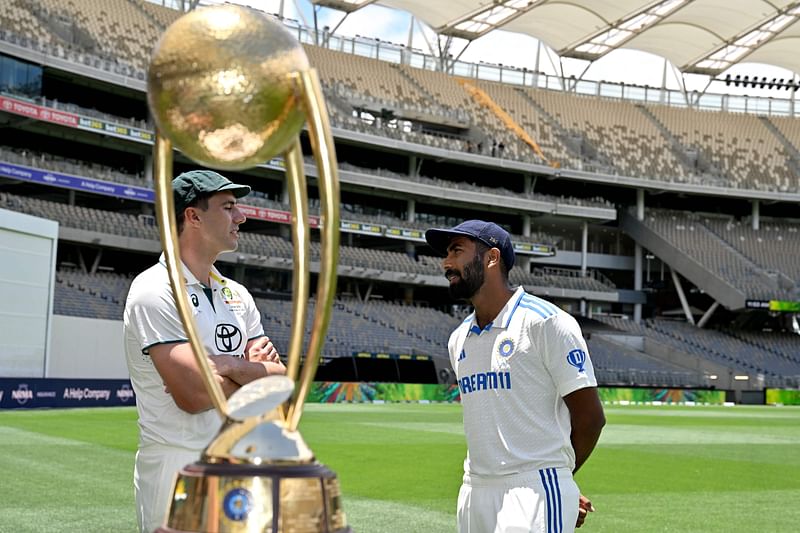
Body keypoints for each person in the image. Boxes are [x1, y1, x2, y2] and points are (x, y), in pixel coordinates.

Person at [123, 170, 286, 533]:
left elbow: (279, 382)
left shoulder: (238, 294)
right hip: (179, 468)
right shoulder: (154, 290)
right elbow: (194, 395)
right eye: (229, 207)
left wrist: (227, 366)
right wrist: (250, 372)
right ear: (193, 216)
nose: (241, 217)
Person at [425, 220, 605, 533]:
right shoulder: (458, 339)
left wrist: (559, 479)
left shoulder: (546, 323)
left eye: (456, 251)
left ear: (491, 258)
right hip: (474, 490)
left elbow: (590, 418)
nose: (446, 263)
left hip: (534, 489)